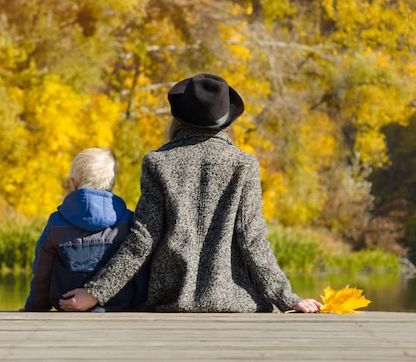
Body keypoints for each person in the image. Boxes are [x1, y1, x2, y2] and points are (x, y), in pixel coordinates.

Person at [59, 73, 322, 313]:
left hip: (172, 298)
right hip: (232, 299)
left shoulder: (158, 162)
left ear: (179, 119)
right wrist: (287, 298)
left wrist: (95, 292)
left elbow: (143, 239)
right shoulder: (243, 164)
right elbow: (252, 240)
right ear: (225, 121)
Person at [21, 147, 145, 312]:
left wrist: (36, 306)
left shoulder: (57, 222)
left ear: (73, 183)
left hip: (67, 305)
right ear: (112, 183)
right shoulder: (127, 220)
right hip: (117, 306)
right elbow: (136, 267)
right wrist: (140, 303)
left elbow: (43, 269)